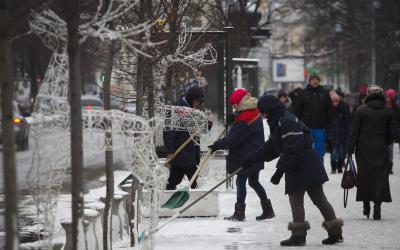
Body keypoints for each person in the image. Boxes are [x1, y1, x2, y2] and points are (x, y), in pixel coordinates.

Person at [242, 94, 343, 246]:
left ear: (269, 109)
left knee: (300, 200)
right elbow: (273, 146)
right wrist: (253, 158)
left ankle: (299, 236)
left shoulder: (286, 120)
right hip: (301, 162)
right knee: (317, 199)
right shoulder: (278, 121)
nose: (263, 115)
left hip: (303, 162)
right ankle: (335, 233)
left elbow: (292, 148)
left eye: (263, 111)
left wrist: (279, 170)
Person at [208, 89, 274, 221]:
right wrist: (234, 119)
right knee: (254, 182)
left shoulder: (245, 118)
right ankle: (268, 210)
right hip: (256, 153)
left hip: (246, 156)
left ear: (241, 103)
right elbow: (242, 130)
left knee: (241, 182)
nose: (234, 107)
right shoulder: (253, 111)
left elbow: (232, 139)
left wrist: (217, 145)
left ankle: (239, 213)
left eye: (235, 105)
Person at [347, 84, 395, 220]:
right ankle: (377, 206)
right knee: (380, 177)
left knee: (364, 175)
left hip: (363, 148)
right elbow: (392, 133)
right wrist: (385, 141)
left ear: (368, 94)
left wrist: (349, 150)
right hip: (381, 148)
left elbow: (354, 132)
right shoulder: (388, 111)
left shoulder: (361, 110)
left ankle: (366, 204)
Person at [163, 86, 205, 190]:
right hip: (181, 152)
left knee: (174, 179)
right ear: (191, 99)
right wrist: (170, 150)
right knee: (195, 181)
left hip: (190, 152)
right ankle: (199, 201)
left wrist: (208, 124)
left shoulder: (195, 111)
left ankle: (167, 198)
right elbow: (168, 130)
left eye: (200, 102)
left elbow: (201, 129)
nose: (199, 105)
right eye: (197, 101)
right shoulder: (177, 110)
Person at [294, 74, 335, 162]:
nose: (315, 81)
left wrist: (330, 129)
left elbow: (330, 112)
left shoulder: (325, 93)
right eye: (313, 79)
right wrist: (298, 127)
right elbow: (297, 112)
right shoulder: (302, 94)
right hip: (306, 128)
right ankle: (308, 172)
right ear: (309, 81)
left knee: (320, 152)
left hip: (321, 128)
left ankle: (319, 172)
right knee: (306, 152)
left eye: (317, 79)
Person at [328, 91, 351, 174]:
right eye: (333, 102)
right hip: (332, 134)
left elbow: (347, 121)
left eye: (336, 101)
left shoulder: (344, 107)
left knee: (341, 152)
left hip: (342, 134)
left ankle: (340, 167)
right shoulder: (328, 109)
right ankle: (334, 168)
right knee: (333, 152)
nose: (335, 103)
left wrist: (349, 132)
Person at [384, 89, 400, 174]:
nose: (388, 99)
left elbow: (397, 120)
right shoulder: (382, 107)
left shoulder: (396, 107)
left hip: (392, 132)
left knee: (390, 150)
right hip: (383, 132)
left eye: (389, 97)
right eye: (386, 97)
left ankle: (389, 167)